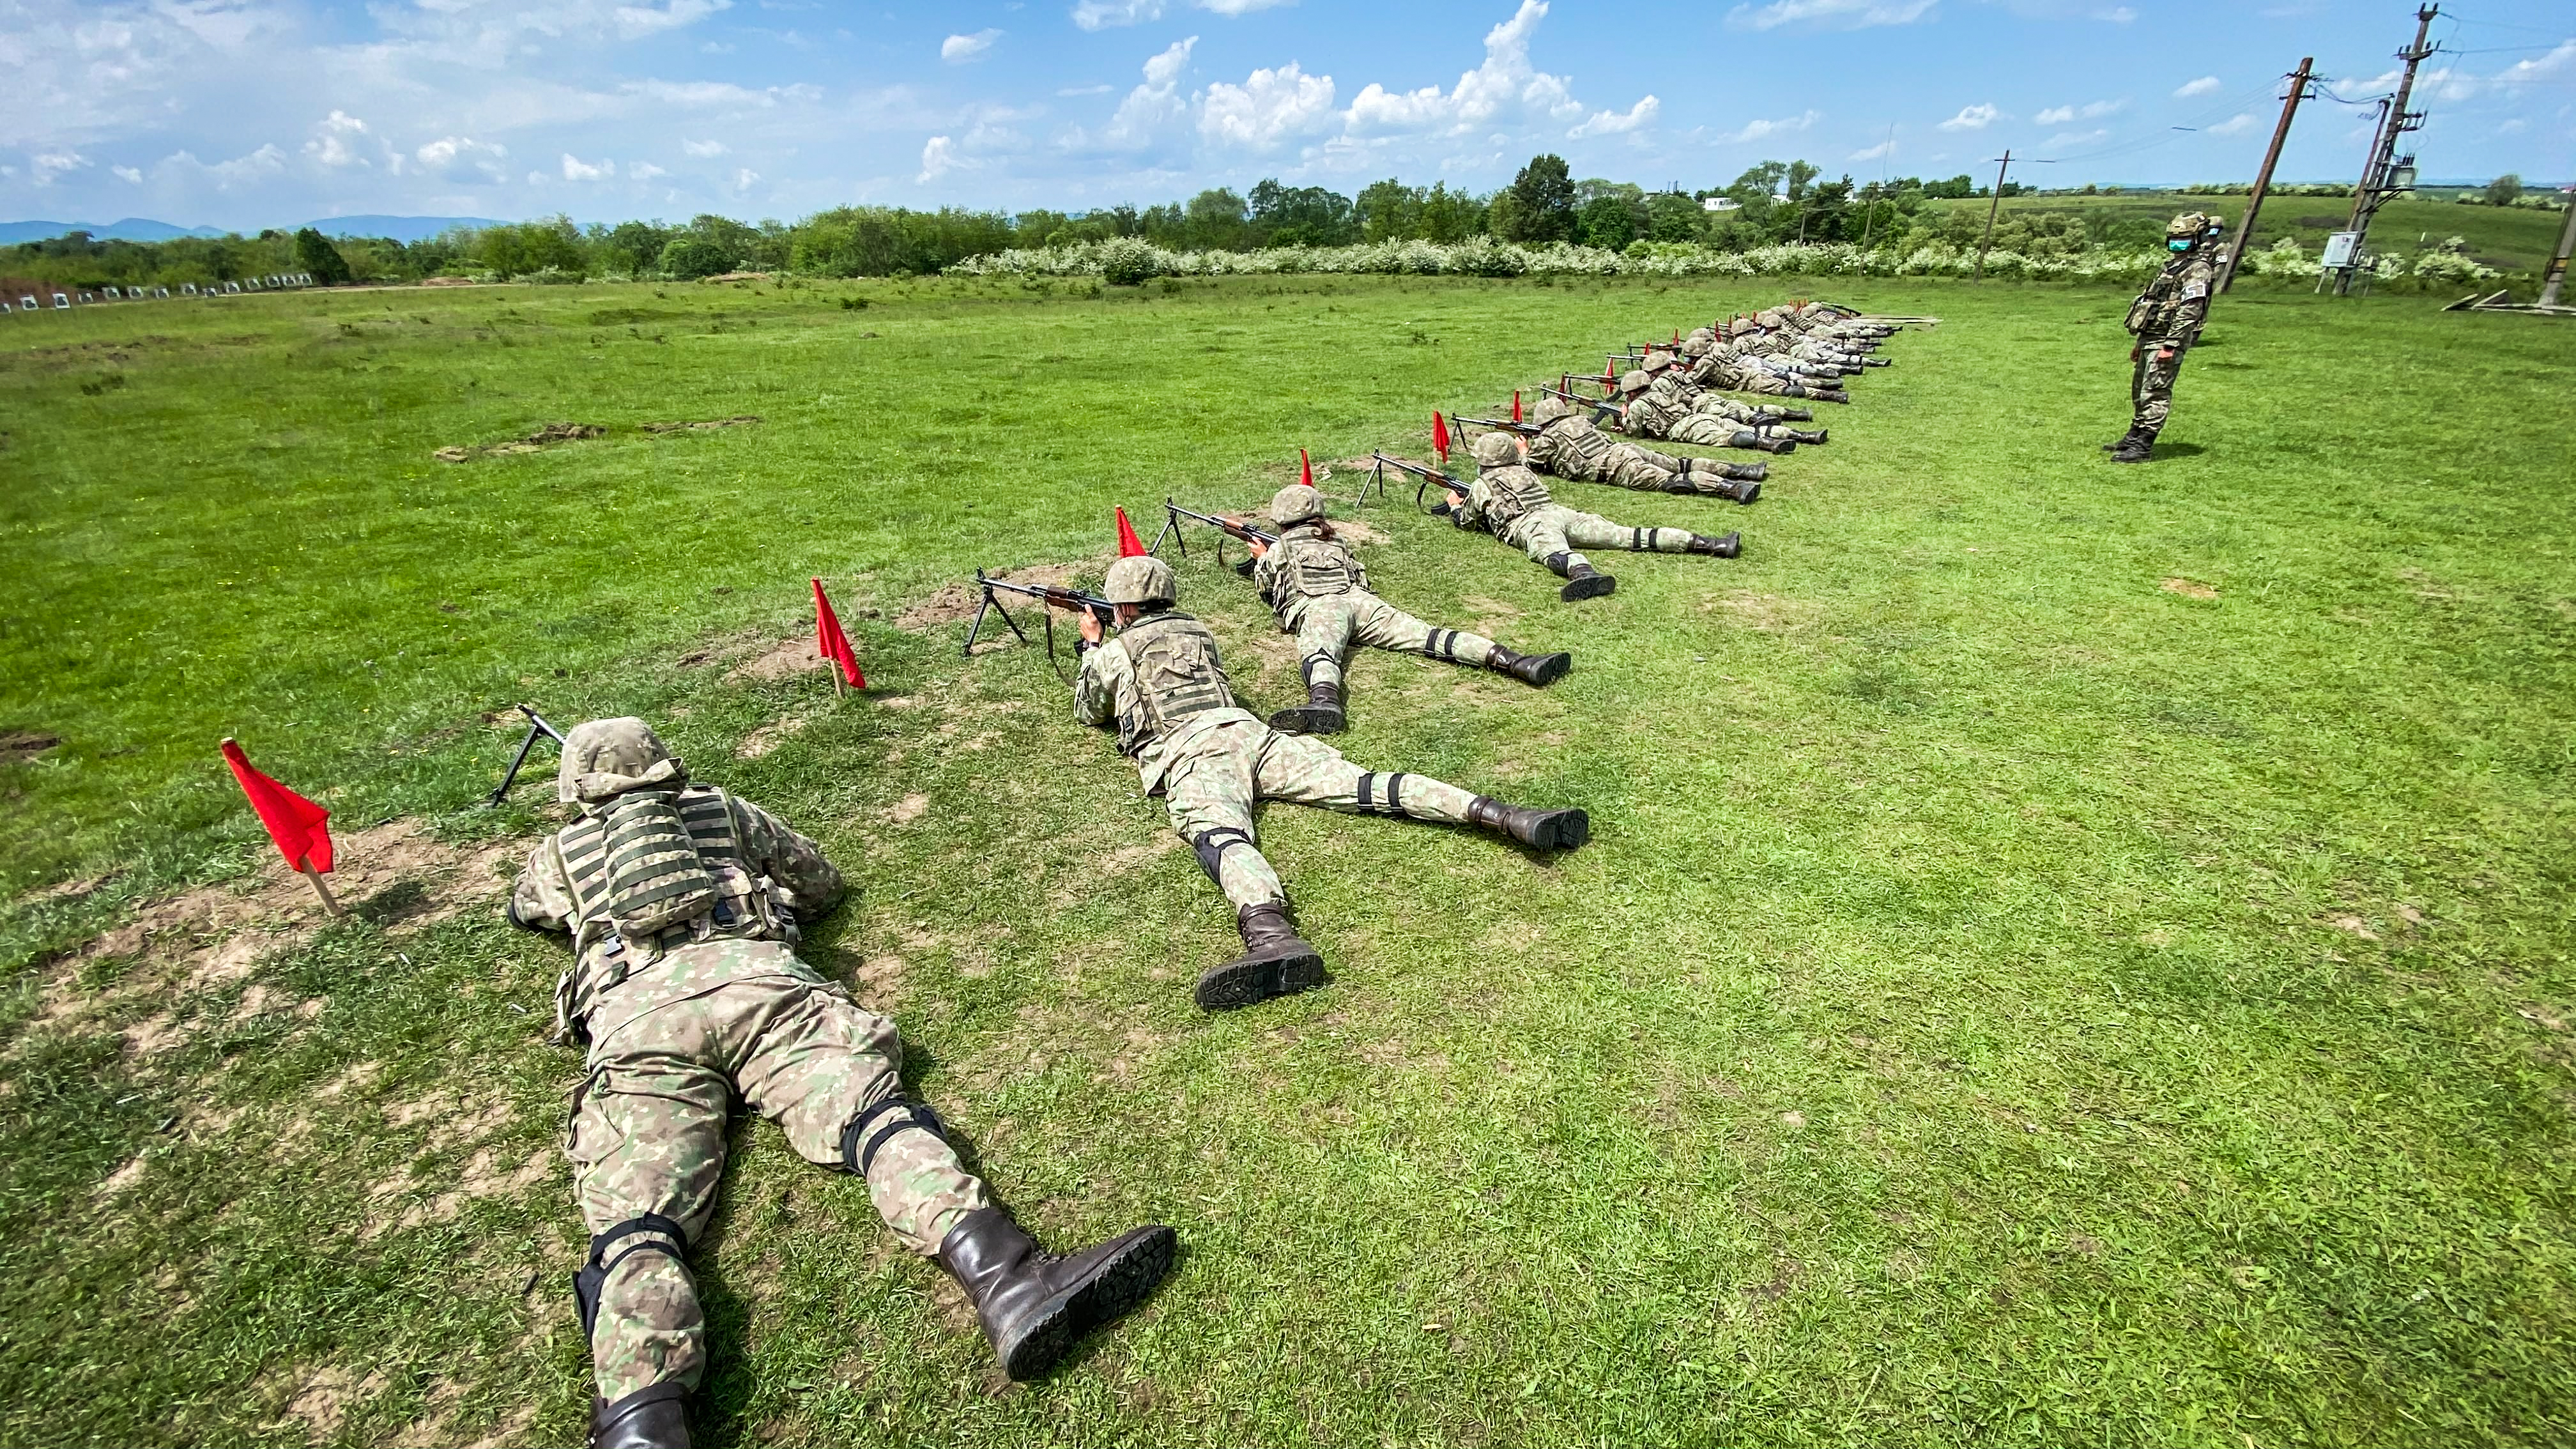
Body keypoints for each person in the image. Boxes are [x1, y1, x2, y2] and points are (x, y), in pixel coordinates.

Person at [509, 720, 1174, 1449]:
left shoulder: (558, 855)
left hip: (636, 1024)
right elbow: (817, 879)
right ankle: (1008, 1279)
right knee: (876, 1120)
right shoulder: (720, 809)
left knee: (637, 1224)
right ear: (666, 767)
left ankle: (642, 1420)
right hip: (761, 986)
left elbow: (526, 910)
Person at [1072, 555, 1590, 1010]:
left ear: (1120, 610)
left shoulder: (1115, 653)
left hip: (1193, 751)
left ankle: (1273, 937)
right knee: (1367, 785)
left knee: (1221, 833)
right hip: (1253, 734)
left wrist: (1091, 649)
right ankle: (1506, 815)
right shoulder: (1199, 633)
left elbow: (1092, 711)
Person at [1246, 483, 1571, 734]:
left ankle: (1325, 702)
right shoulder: (1336, 541)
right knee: (1429, 637)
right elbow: (1359, 575)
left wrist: (1262, 559)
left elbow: (1267, 589)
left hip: (1321, 607)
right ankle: (1517, 662)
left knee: (1321, 654)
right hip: (1363, 602)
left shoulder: (1281, 548)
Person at [1445, 431, 1739, 601]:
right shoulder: (1525, 470)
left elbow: (1468, 523)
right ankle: (1710, 543)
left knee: (1553, 551)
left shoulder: (1482, 485)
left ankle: (1584, 575)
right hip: (1561, 513)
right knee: (1627, 535)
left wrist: (1455, 506)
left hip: (1531, 523)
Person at [2109, 211, 2223, 463]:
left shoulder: (2198, 269)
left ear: (2197, 238)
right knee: (2140, 389)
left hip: (2167, 339)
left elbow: (2190, 309)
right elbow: (2152, 304)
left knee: (2156, 390)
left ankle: (2144, 446)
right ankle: (2134, 435)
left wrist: (2171, 345)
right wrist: (2140, 342)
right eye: (2173, 239)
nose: (2177, 244)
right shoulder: (2169, 267)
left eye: (2183, 239)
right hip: (2151, 335)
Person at [1522, 394, 1764, 503]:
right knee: (1682, 463)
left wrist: (1523, 451)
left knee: (1673, 480)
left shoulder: (1547, 439)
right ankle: (1744, 470)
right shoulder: (1581, 421)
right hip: (1627, 450)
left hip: (1614, 466)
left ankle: (1733, 488)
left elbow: (1530, 467)